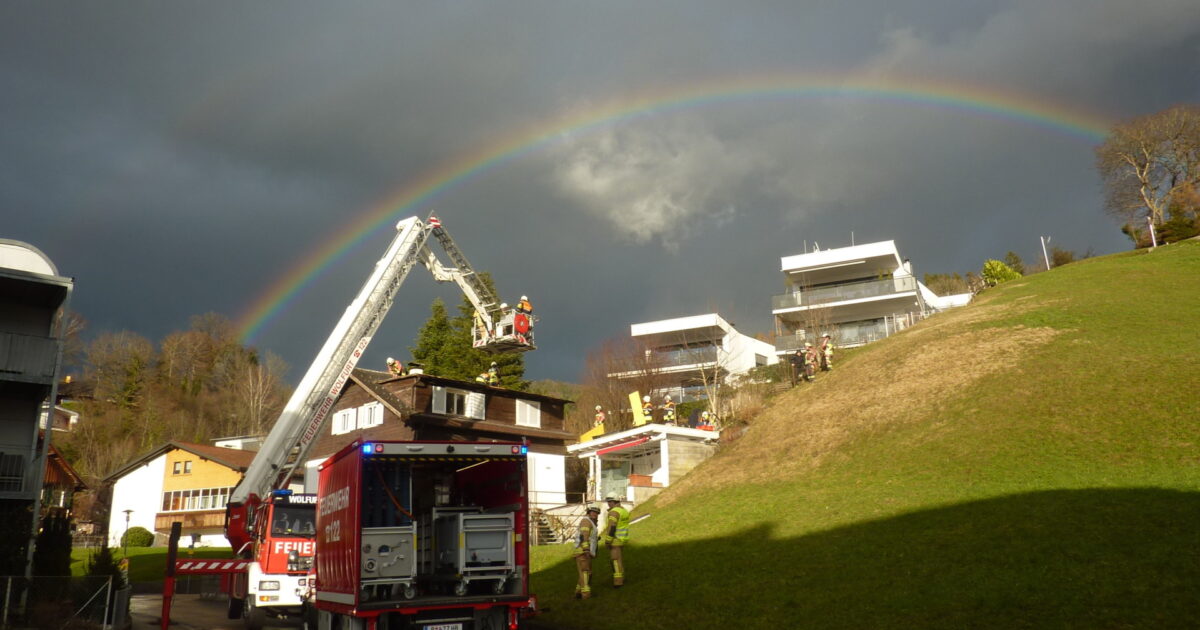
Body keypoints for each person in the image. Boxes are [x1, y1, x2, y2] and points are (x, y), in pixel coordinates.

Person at [574, 505, 601, 599]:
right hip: (583, 551)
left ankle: (578, 592)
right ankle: (586, 595)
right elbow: (584, 536)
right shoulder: (586, 521)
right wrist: (586, 550)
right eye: (593, 512)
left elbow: (589, 536)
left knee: (584, 572)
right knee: (585, 572)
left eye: (597, 513)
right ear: (588, 512)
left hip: (586, 551)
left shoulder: (591, 522)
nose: (595, 514)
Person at [603, 497, 630, 587]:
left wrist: (608, 541)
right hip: (622, 539)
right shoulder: (623, 510)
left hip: (615, 539)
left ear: (614, 502)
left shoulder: (614, 512)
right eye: (608, 502)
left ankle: (618, 582)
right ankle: (621, 578)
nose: (608, 504)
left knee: (615, 560)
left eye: (610, 502)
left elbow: (612, 527)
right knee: (619, 560)